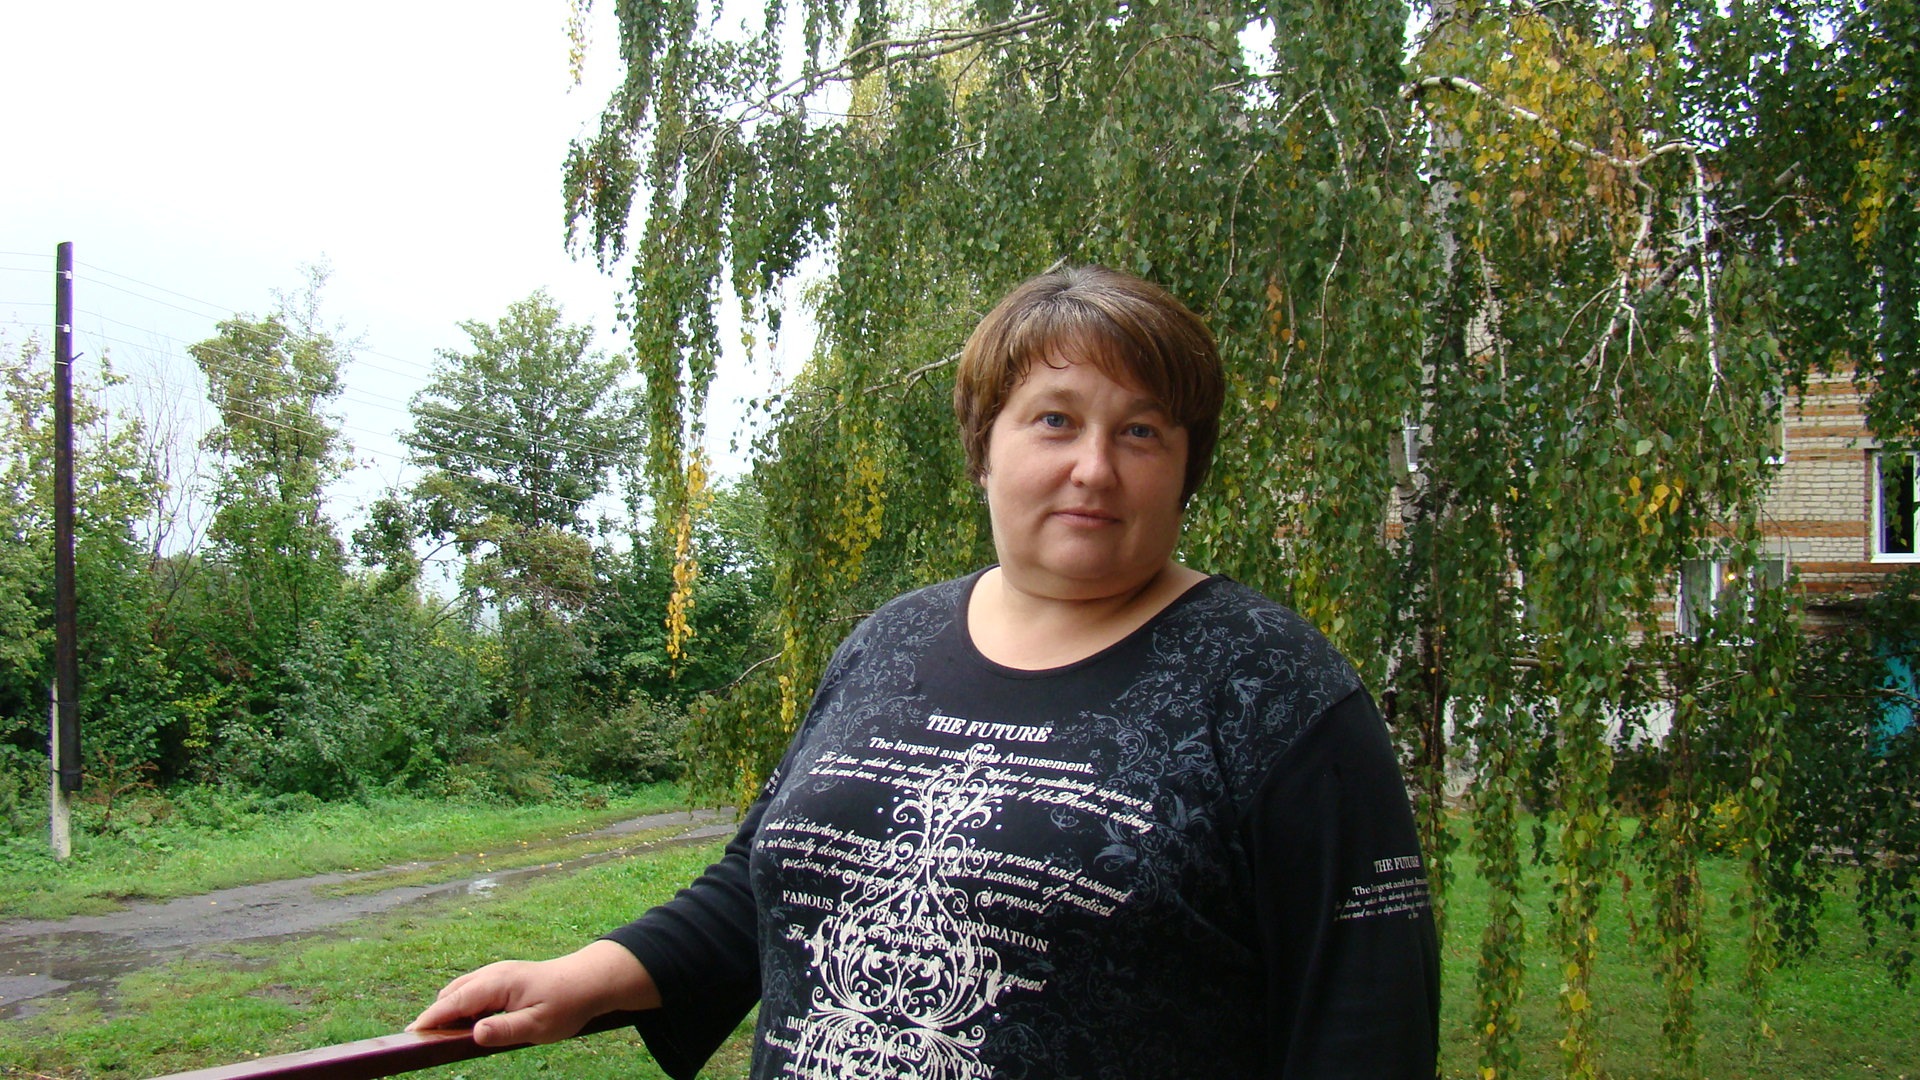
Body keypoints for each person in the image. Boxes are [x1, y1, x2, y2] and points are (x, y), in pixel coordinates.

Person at [411, 266, 1441, 1078]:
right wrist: (591, 974)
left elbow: (1367, 1018)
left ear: (1186, 469)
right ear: (984, 448)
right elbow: (768, 880)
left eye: (1140, 431)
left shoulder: (1274, 687)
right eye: (1054, 419)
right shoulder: (890, 643)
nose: (1094, 467)